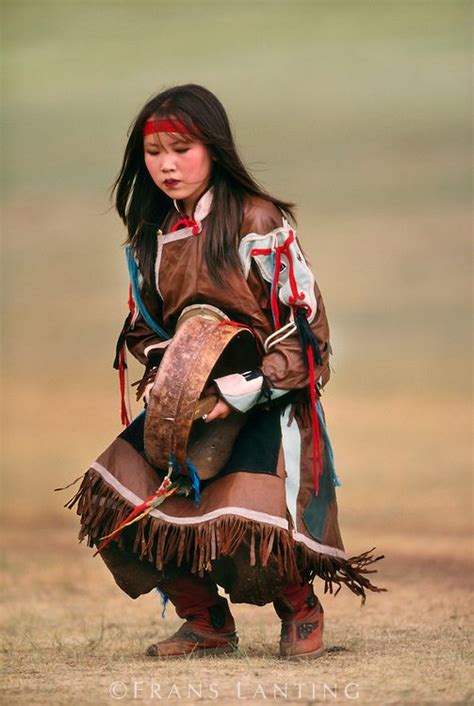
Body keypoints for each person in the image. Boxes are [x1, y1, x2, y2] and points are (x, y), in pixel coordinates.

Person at [68, 84, 384, 660]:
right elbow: (142, 327)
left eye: (182, 148)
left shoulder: (256, 220)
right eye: (154, 152)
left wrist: (241, 387)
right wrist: (183, 369)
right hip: (185, 401)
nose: (166, 165)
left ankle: (300, 609)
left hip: (265, 398)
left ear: (213, 148)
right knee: (117, 501)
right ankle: (205, 620)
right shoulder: (152, 236)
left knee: (255, 519)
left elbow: (307, 327)